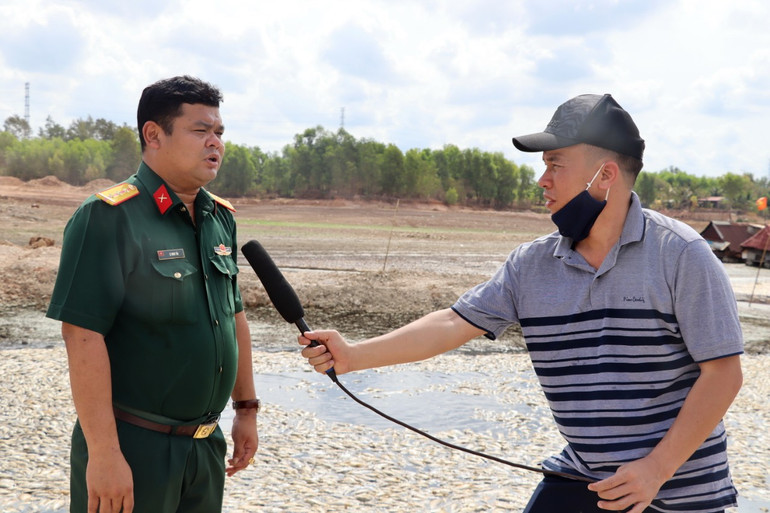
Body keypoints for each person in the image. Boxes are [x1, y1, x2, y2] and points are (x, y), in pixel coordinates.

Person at [300, 94, 743, 513]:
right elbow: (454, 324)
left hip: (679, 488)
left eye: (555, 164)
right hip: (584, 474)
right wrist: (354, 355)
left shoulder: (681, 254)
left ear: (605, 175)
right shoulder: (532, 264)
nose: (542, 179)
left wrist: (656, 468)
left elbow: (723, 374)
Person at [47, 75, 260, 513]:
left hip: (204, 447)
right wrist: (104, 455)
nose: (214, 143)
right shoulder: (108, 218)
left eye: (219, 132)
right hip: (134, 445)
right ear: (153, 135)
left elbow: (233, 316)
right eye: (200, 131)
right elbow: (83, 337)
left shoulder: (219, 218)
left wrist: (246, 409)